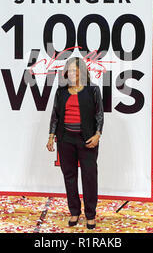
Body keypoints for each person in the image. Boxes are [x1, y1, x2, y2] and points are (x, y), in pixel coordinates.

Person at [47, 57, 104, 230]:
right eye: (69, 71)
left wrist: (97, 135)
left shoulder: (93, 90)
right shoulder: (61, 91)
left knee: (89, 177)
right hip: (66, 140)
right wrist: (51, 136)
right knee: (69, 177)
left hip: (87, 140)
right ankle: (74, 211)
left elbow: (99, 115)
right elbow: (55, 115)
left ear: (82, 71)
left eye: (74, 70)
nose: (70, 73)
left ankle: (90, 214)